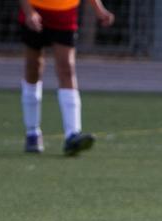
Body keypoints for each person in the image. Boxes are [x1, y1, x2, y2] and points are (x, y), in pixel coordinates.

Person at [18, 0, 114, 155]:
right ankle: (32, 133)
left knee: (67, 68)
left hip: (65, 12)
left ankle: (72, 135)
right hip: (36, 8)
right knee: (33, 68)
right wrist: (29, 12)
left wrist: (99, 9)